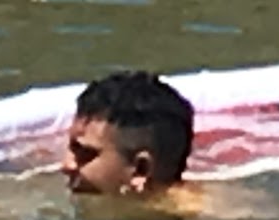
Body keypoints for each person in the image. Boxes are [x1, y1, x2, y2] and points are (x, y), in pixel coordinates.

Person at [61, 70, 194, 197]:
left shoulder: (194, 211)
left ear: (141, 169)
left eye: (85, 154)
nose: (66, 166)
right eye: (71, 147)